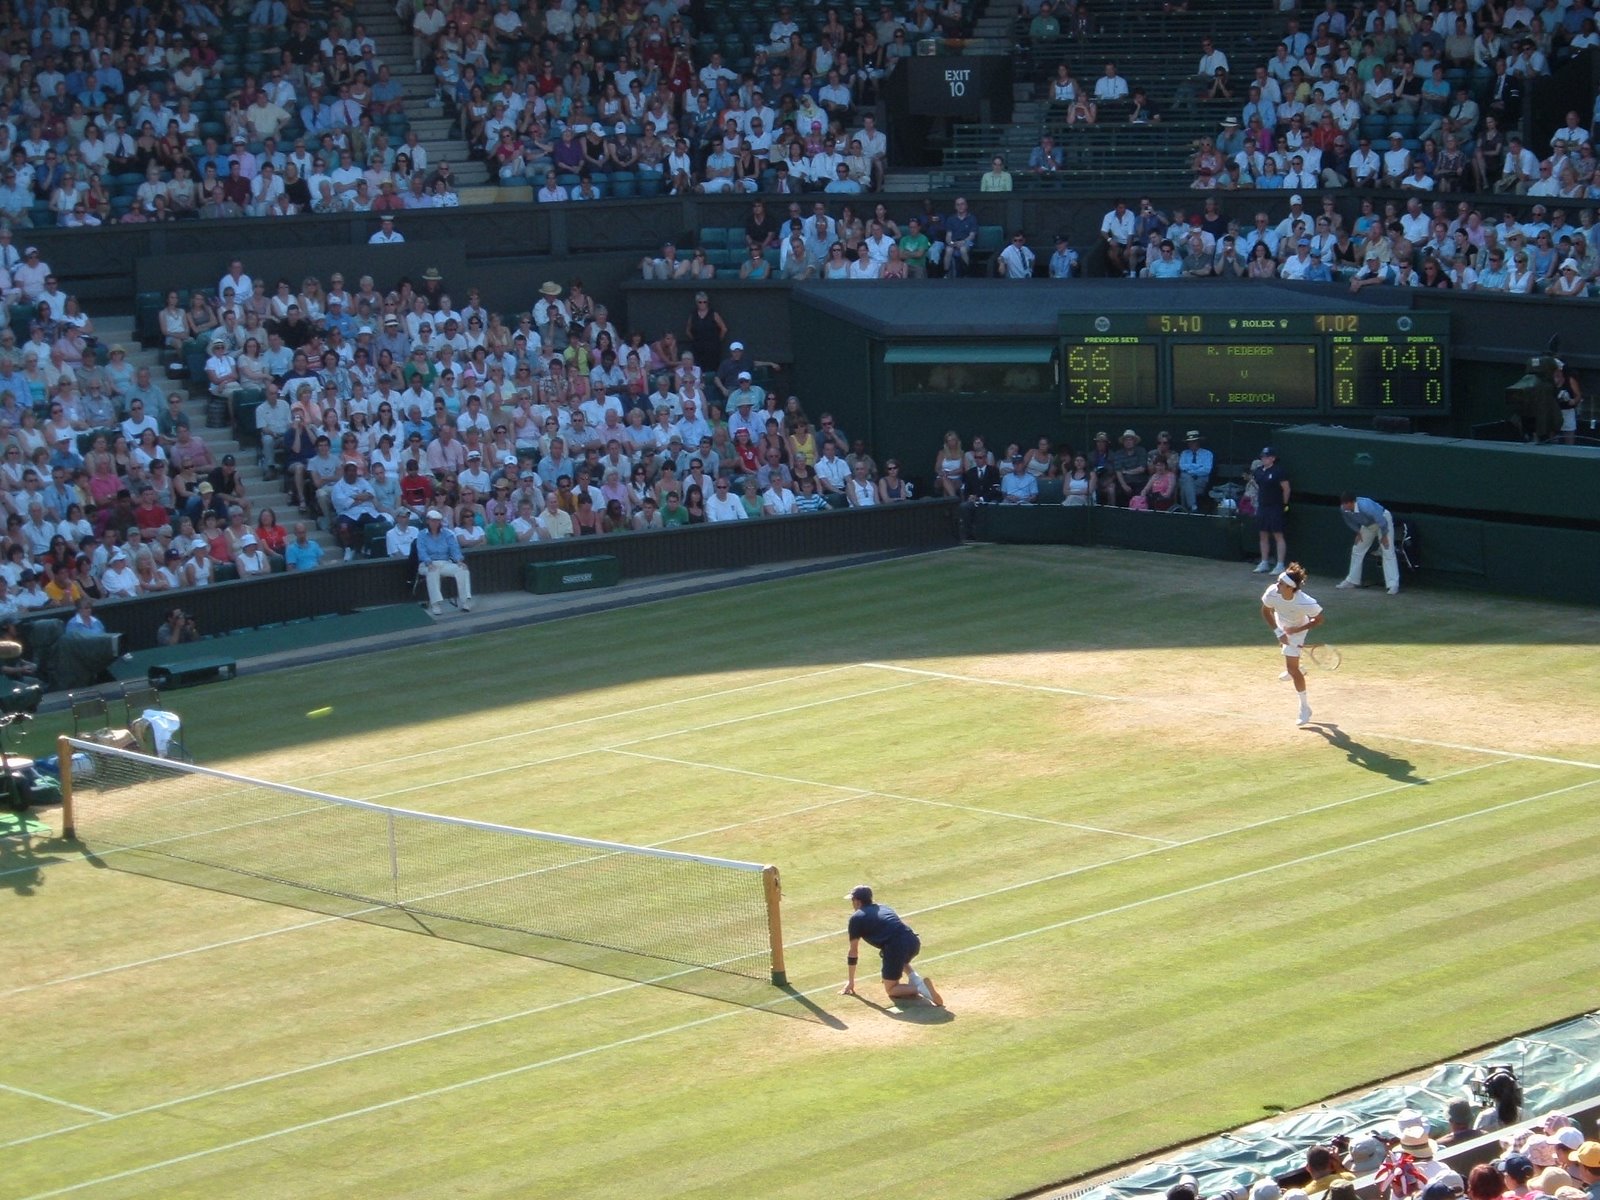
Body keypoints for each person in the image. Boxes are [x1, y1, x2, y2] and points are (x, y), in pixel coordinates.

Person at [840, 884, 942, 1006]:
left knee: (891, 989)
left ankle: (920, 988)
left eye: (852, 900)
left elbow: (853, 952)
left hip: (896, 948)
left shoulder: (856, 918)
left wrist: (851, 981)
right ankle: (915, 979)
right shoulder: (884, 907)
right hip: (913, 941)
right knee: (898, 958)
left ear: (857, 901)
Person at [1260, 562, 1323, 726]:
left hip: (1299, 628)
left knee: (1292, 669)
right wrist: (1278, 632)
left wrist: (1297, 630)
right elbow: (1266, 610)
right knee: (1288, 656)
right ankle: (1297, 668)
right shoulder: (1273, 592)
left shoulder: (1305, 602)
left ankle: (1305, 708)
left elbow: (1319, 619)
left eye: (1281, 583)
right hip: (1282, 624)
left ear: (1290, 588)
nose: (1277, 585)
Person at [1337, 492, 1400, 594]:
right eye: (1343, 503)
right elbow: (1349, 521)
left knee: (1387, 550)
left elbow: (1381, 520)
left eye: (1346, 503)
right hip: (1368, 525)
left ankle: (1393, 585)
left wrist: (1384, 535)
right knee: (1357, 549)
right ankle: (1352, 580)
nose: (1344, 506)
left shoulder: (1365, 506)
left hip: (1383, 521)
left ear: (1352, 502)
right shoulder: (1343, 509)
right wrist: (1358, 531)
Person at [417, 508, 473, 614]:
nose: (435, 523)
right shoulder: (421, 535)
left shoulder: (448, 534)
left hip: (445, 563)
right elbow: (422, 551)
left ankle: (466, 602)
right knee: (432, 572)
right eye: (433, 520)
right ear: (428, 521)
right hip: (427, 564)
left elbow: (454, 549)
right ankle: (436, 604)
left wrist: (459, 561)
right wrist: (429, 563)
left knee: (463, 570)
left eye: (437, 520)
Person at [1251, 446, 1290, 573]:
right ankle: (1264, 562)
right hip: (1262, 507)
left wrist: (1284, 504)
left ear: (1272, 458)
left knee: (1278, 535)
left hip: (1276, 507)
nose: (1263, 459)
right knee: (1263, 534)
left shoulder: (1279, 471)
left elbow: (1286, 489)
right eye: (1262, 457)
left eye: (1266, 457)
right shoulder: (1258, 471)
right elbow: (1258, 487)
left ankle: (1280, 565)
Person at [1175, 430, 1213, 512]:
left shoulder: (1207, 454)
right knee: (1186, 478)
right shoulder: (1184, 453)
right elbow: (1182, 467)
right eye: (1189, 442)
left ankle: (1183, 509)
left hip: (1200, 481)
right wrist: (1198, 466)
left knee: (1185, 485)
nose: (1191, 444)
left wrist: (1190, 470)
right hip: (1186, 480)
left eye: (1193, 442)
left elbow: (1207, 470)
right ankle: (1193, 507)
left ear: (1198, 442)